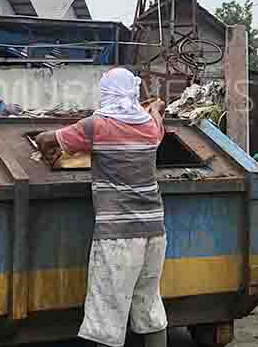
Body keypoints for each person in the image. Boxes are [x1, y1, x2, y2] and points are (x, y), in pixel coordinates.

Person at [35, 68, 167, 347]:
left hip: (118, 235)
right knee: (149, 307)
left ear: (106, 92)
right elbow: (157, 116)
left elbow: (47, 139)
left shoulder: (97, 125)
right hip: (155, 232)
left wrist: (51, 155)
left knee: (107, 314)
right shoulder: (149, 127)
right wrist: (155, 107)